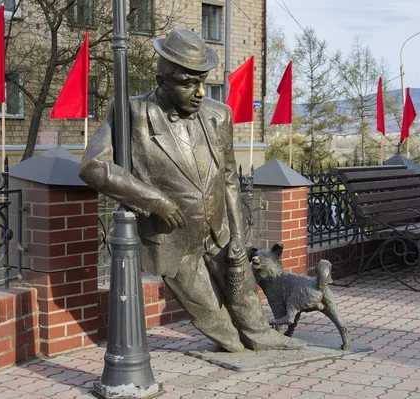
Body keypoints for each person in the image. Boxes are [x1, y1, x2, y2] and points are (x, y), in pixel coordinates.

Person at [80, 29, 306, 352]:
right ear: (163, 81)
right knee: (211, 314)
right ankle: (234, 344)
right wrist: (154, 201)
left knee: (241, 289)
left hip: (219, 228)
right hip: (173, 239)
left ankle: (260, 334)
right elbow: (93, 166)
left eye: (203, 80)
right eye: (188, 83)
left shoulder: (218, 115)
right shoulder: (133, 115)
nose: (200, 91)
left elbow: (229, 177)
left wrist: (238, 235)